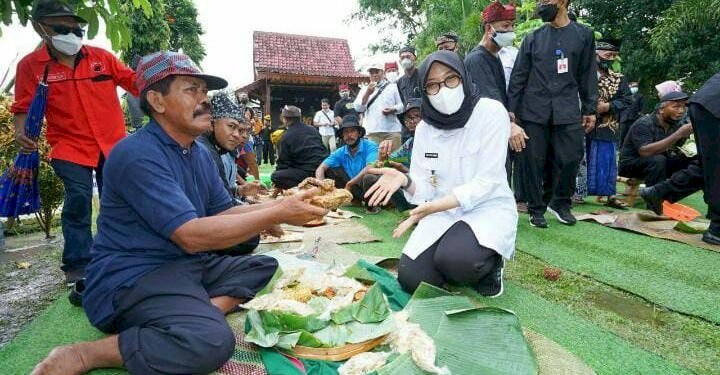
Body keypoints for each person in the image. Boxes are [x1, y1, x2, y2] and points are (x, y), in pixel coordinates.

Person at [30, 51, 328, 375]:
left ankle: (200, 310)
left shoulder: (197, 151)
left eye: (204, 91)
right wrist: (276, 213)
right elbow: (190, 236)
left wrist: (280, 207)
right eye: (191, 90)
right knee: (211, 342)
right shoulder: (136, 155)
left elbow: (223, 211)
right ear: (157, 101)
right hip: (131, 278)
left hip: (183, 267)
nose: (204, 100)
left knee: (266, 266)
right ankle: (88, 354)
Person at [364, 51, 517, 297]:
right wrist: (406, 180)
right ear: (424, 91)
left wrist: (433, 207)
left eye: (450, 79)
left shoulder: (490, 112)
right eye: (432, 85)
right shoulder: (425, 128)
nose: (443, 90)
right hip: (442, 211)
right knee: (412, 279)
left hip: (486, 208)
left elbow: (487, 182)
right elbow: (424, 185)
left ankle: (492, 264)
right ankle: (453, 252)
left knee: (457, 262)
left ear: (464, 78)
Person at [11, 0, 138, 285]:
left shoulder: (102, 58)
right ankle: (78, 264)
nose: (71, 34)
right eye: (61, 28)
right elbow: (22, 107)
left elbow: (134, 82)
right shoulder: (31, 67)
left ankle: (121, 254)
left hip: (113, 144)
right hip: (69, 146)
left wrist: (165, 87)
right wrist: (21, 133)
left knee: (117, 199)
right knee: (79, 198)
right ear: (40, 28)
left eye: (77, 30)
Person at [507, 0, 598, 228]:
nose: (542, 4)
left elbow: (587, 74)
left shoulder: (584, 35)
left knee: (571, 157)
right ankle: (535, 208)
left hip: (567, 108)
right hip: (533, 110)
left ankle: (560, 202)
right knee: (532, 162)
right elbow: (519, 76)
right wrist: (511, 112)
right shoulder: (533, 38)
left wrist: (590, 108)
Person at [639, 72, 720, 245]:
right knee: (716, 167)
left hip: (707, 104)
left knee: (708, 164)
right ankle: (717, 229)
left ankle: (659, 192)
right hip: (714, 106)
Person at [585, 38, 634, 209]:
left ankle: (608, 195)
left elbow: (628, 100)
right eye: (607, 55)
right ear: (596, 54)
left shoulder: (618, 79)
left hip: (607, 126)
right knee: (579, 158)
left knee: (606, 160)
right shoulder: (583, 74)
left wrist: (609, 106)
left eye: (614, 56)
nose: (610, 59)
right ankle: (575, 193)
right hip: (580, 124)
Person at [618, 91, 695, 187]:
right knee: (658, 160)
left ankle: (672, 192)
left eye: (683, 107)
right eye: (676, 107)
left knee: (693, 160)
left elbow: (678, 147)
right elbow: (645, 151)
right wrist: (678, 134)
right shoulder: (644, 123)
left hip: (658, 164)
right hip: (630, 166)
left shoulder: (676, 125)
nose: (681, 111)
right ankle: (654, 198)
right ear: (661, 109)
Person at [366, 98, 423, 213]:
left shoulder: (435, 143)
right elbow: (385, 164)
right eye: (408, 118)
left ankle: (418, 211)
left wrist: (403, 169)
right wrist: (383, 156)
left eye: (417, 116)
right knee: (371, 178)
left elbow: (433, 178)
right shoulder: (409, 144)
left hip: (432, 194)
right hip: (413, 189)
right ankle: (408, 211)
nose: (411, 121)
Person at [315, 115, 378, 203]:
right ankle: (351, 199)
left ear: (359, 133)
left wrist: (350, 183)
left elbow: (371, 167)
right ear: (342, 135)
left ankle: (373, 206)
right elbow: (320, 168)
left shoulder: (370, 145)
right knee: (329, 170)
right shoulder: (341, 151)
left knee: (369, 177)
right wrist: (322, 188)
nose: (349, 135)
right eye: (346, 132)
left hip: (370, 188)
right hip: (353, 189)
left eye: (352, 131)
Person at [271, 105, 328, 189]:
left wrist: (278, 182)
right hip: (323, 170)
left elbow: (283, 163)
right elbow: (323, 150)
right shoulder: (313, 130)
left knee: (276, 176)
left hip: (305, 172)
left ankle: (306, 187)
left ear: (285, 119)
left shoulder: (286, 136)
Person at [354, 62, 405, 151]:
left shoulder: (392, 87)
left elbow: (402, 106)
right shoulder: (364, 89)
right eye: (371, 73)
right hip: (373, 131)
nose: (374, 75)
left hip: (392, 130)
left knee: (395, 159)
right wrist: (367, 93)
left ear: (383, 72)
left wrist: (393, 109)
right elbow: (358, 108)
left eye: (376, 72)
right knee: (374, 160)